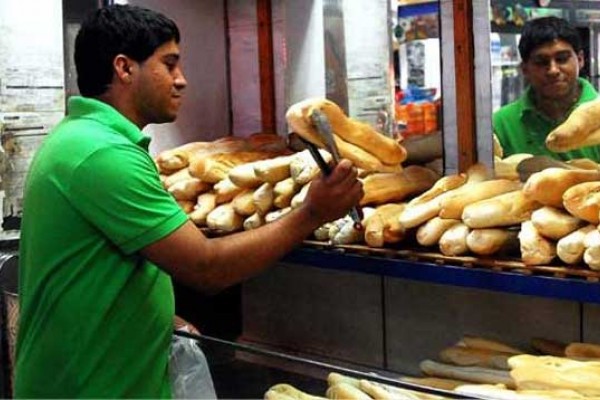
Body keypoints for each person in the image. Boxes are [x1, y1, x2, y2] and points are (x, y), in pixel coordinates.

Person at [14, 5, 363, 399]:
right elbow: (206, 268)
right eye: (169, 64)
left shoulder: (82, 139)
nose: (181, 81)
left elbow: (105, 263)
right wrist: (312, 213)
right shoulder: (102, 154)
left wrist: (157, 315)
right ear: (125, 69)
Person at [493, 16, 600, 161]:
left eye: (562, 59)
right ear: (524, 69)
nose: (553, 70)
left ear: (580, 60)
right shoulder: (501, 125)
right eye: (541, 62)